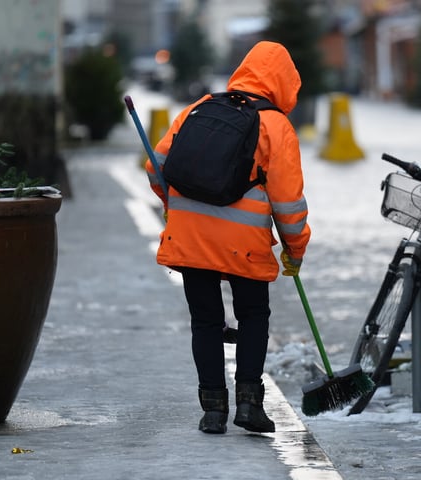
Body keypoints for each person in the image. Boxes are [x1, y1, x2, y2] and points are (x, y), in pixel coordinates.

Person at [145, 41, 311, 434]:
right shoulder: (275, 126)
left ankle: (213, 411)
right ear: (285, 82)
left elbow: (157, 169)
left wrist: (178, 208)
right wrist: (295, 248)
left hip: (189, 238)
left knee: (205, 321)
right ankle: (250, 406)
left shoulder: (198, 108)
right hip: (245, 243)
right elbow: (288, 203)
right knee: (253, 316)